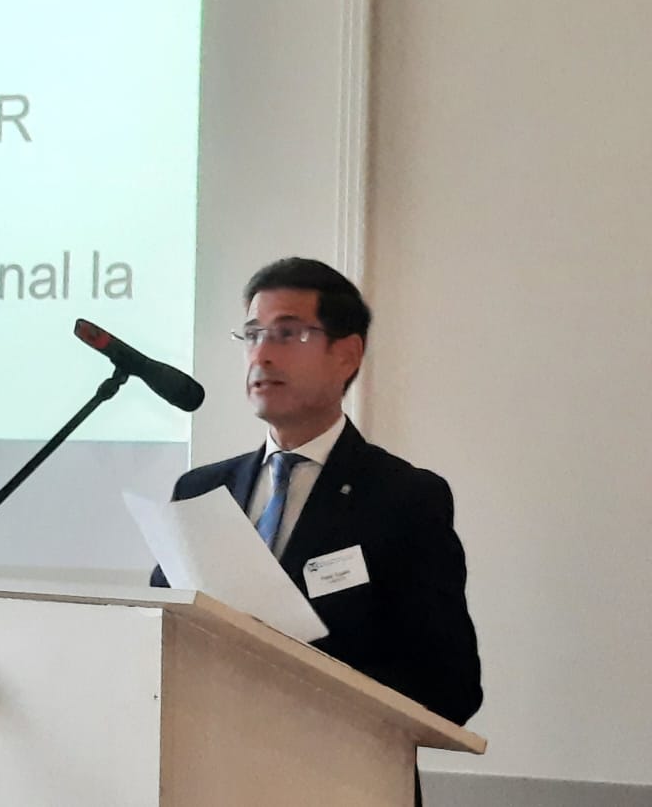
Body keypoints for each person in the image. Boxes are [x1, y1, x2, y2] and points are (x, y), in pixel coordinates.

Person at [150, 257, 482, 805]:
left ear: (346, 354)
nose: (262, 354)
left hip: (344, 782)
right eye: (253, 334)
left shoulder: (403, 497)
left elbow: (451, 686)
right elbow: (163, 640)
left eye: (288, 334)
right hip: (208, 777)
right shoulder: (201, 490)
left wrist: (299, 684)